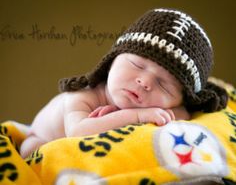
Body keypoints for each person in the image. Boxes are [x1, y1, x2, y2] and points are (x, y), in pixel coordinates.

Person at [20, 8, 228, 158]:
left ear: (180, 99)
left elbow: (179, 115)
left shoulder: (165, 106)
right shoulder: (84, 95)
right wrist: (136, 116)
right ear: (111, 62)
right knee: (32, 151)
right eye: (136, 65)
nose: (145, 81)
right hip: (41, 137)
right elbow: (78, 132)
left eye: (164, 85)